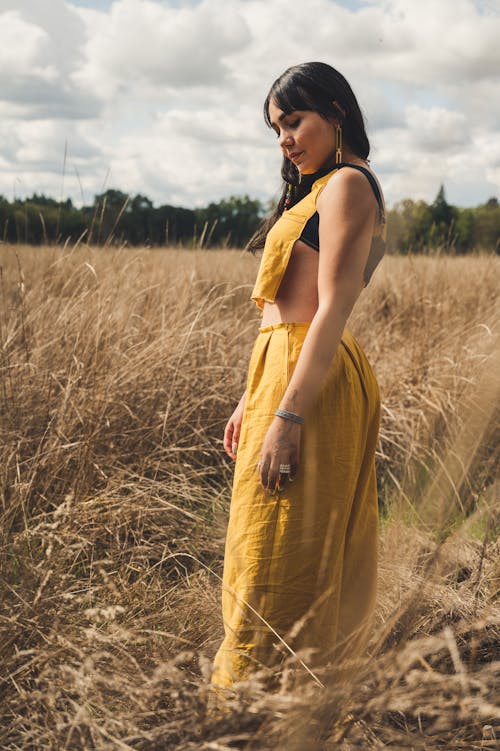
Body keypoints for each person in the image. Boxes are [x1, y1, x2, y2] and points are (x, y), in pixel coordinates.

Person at [211, 62, 386, 691]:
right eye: (275, 128)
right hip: (281, 367)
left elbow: (330, 308)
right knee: (264, 544)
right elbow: (290, 309)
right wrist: (250, 398)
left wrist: (288, 415)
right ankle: (268, 708)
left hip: (308, 375)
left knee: (282, 555)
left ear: (336, 112)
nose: (284, 138)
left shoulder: (346, 185)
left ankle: (267, 712)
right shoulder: (319, 185)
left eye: (294, 120)